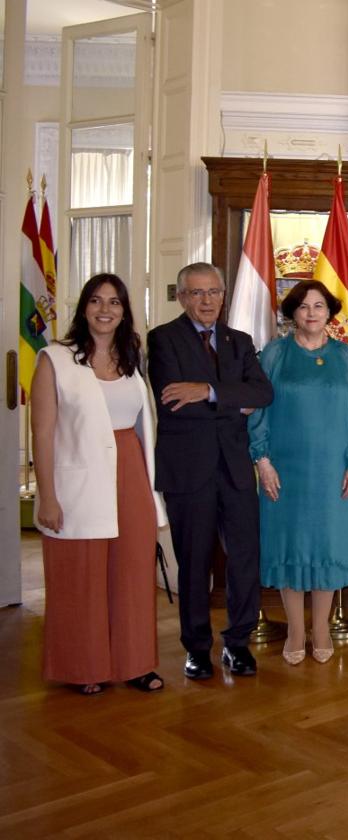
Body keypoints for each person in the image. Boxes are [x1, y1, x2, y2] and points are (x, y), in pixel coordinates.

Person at [32, 273, 168, 695]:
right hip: (78, 478)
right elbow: (42, 433)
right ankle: (83, 666)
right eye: (96, 301)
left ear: (124, 311)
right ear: (84, 308)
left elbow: (145, 424)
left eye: (114, 302)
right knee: (81, 575)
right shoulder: (55, 359)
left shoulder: (133, 356)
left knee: (132, 571)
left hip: (130, 472)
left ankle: (135, 664)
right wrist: (48, 498)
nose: (105, 310)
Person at [148, 262, 273, 680]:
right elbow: (171, 401)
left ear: (224, 296)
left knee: (244, 560)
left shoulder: (240, 341)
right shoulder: (163, 339)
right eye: (197, 293)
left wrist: (207, 392)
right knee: (194, 562)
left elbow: (263, 393)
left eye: (214, 293)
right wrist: (233, 403)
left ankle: (238, 643)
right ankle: (197, 648)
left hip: (235, 469)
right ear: (182, 297)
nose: (207, 301)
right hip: (188, 470)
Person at [248, 280, 348, 665]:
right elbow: (258, 411)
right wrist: (262, 460)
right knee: (289, 546)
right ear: (292, 313)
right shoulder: (274, 354)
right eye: (304, 306)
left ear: (330, 311)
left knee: (327, 547)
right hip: (284, 469)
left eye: (319, 305)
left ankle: (320, 629)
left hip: (333, 470)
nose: (312, 313)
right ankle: (295, 631)